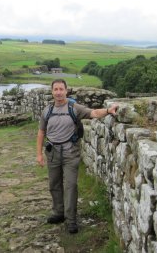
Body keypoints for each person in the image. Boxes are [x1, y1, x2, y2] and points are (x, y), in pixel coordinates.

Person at [36, 79, 118, 234]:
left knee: (71, 185)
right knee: (54, 184)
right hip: (52, 152)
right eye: (56, 89)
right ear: (52, 91)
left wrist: (108, 111)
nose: (59, 92)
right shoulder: (47, 111)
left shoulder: (74, 107)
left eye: (61, 89)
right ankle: (59, 213)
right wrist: (39, 154)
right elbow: (41, 132)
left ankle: (71, 220)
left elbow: (92, 113)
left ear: (66, 91)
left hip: (70, 153)